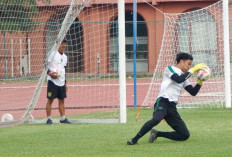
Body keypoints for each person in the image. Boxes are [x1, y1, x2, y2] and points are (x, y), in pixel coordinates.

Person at [127, 52, 206, 145]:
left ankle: (157, 133)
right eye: (188, 64)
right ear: (181, 61)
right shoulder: (169, 69)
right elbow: (178, 79)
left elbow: (193, 92)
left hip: (172, 107)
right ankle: (134, 139)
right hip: (163, 101)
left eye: (191, 65)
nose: (189, 67)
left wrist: (200, 81)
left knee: (184, 135)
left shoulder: (184, 76)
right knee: (156, 119)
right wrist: (193, 70)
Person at [46, 39, 71, 124]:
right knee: (50, 100)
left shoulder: (65, 57)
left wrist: (65, 83)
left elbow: (64, 70)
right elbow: (45, 66)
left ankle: (63, 118)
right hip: (52, 81)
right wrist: (50, 73)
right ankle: (48, 118)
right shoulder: (52, 54)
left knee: (61, 100)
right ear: (58, 45)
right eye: (62, 43)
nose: (64, 45)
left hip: (61, 81)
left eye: (65, 44)